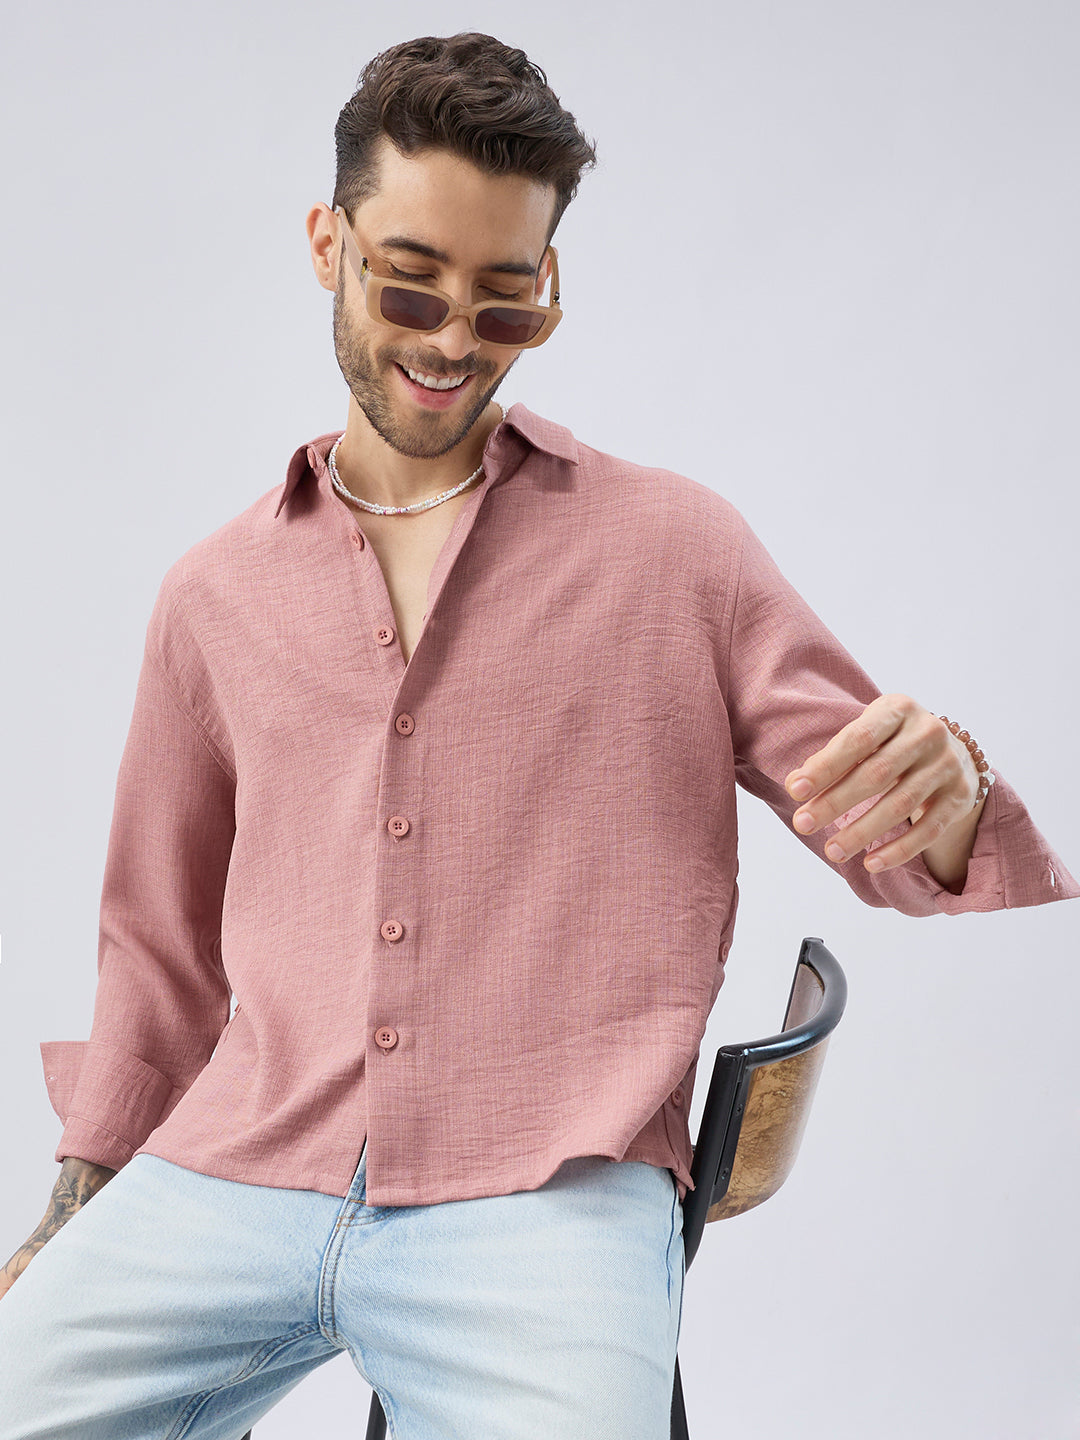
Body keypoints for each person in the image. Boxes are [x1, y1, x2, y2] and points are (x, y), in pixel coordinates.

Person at [0, 28, 1075, 1440]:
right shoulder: (212, 597)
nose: (454, 340)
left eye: (505, 300)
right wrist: (72, 1207)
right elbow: (156, 946)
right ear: (327, 245)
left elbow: (890, 820)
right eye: (410, 282)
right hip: (240, 1172)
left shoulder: (675, 552)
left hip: (545, 1199)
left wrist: (954, 784)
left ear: (548, 286)